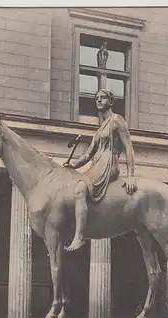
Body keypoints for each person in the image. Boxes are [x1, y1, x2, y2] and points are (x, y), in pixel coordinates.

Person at [64, 88, 137, 251]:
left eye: (103, 97)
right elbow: (88, 153)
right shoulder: (98, 130)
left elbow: (129, 147)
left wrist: (131, 175)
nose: (99, 100)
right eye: (97, 98)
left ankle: (79, 237)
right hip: (96, 164)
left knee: (80, 189)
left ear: (110, 102)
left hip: (109, 164)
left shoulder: (117, 120)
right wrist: (73, 165)